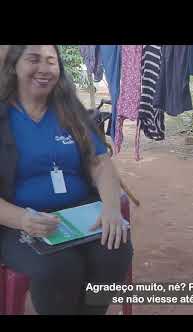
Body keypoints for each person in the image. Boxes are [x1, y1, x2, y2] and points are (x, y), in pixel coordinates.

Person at [0, 45, 133, 315]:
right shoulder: (3, 117)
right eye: (33, 59)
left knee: (114, 249)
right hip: (19, 223)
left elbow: (100, 163)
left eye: (51, 61)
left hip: (79, 214)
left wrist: (110, 207)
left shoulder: (69, 111)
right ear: (14, 66)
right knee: (59, 268)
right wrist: (23, 219)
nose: (44, 68)